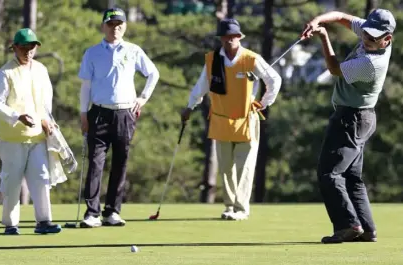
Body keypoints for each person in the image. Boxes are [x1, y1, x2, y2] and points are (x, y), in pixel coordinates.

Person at [301, 9, 396, 243]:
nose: (367, 39)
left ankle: (348, 225)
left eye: (374, 38)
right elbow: (341, 17)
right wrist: (317, 20)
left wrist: (323, 36)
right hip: (361, 118)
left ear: (387, 39)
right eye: (366, 33)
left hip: (351, 119)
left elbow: (334, 69)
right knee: (352, 178)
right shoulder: (370, 31)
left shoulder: (371, 64)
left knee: (329, 173)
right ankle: (367, 229)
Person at [181, 19, 282, 221]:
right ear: (221, 39)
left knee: (244, 166)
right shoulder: (212, 60)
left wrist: (264, 102)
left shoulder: (251, 59)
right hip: (221, 119)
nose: (229, 40)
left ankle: (241, 208)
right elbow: (201, 86)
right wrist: (190, 106)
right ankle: (229, 207)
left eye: (233, 36)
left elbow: (274, 79)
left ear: (239, 37)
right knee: (226, 166)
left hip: (246, 119)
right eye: (225, 37)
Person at [78, 7, 160, 227]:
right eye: (111, 24)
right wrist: (83, 113)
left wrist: (142, 98)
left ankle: (112, 211)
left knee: (120, 162)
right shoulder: (92, 52)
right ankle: (92, 213)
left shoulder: (133, 50)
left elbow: (153, 73)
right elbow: (85, 85)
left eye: (119, 24)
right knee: (96, 163)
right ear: (104, 26)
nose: (115, 28)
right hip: (98, 112)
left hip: (125, 112)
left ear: (125, 26)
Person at [0, 28, 61, 235]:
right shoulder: (4, 73)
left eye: (32, 47)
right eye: (24, 47)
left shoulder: (41, 70)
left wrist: (47, 121)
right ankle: (11, 224)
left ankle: (44, 221)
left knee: (41, 177)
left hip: (37, 136)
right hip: (12, 138)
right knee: (12, 181)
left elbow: (45, 101)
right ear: (14, 48)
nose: (28, 51)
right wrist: (16, 116)